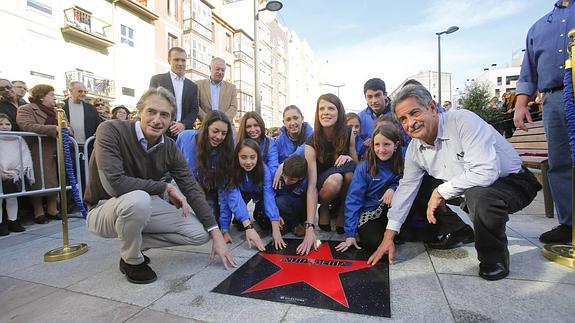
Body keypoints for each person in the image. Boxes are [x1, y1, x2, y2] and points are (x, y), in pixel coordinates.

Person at [368, 85, 541, 281]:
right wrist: (388, 237)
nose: (411, 123)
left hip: (512, 182)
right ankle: (457, 230)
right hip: (465, 186)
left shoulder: (462, 121)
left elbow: (486, 171)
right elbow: (406, 189)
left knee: (479, 194)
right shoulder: (415, 150)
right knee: (419, 186)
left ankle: (494, 257)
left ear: (432, 108)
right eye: (403, 120)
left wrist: (440, 191)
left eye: (414, 113)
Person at [84, 87, 237, 284]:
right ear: (139, 111)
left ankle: (134, 242)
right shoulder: (111, 130)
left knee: (200, 233)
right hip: (104, 207)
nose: (157, 120)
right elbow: (115, 184)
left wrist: (216, 233)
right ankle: (132, 260)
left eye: (164, 115)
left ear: (171, 119)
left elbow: (191, 187)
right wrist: (164, 188)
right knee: (138, 199)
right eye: (151, 112)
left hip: (143, 204)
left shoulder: (169, 147)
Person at [514, 0, 574, 244]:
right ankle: (568, 224)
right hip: (553, 98)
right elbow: (528, 71)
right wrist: (520, 103)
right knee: (559, 163)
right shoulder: (538, 27)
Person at [176, 110, 265, 250]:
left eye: (223, 133)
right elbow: (173, 169)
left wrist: (230, 228)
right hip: (183, 188)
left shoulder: (226, 152)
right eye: (215, 131)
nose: (219, 137)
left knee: (210, 225)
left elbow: (228, 191)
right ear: (205, 128)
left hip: (207, 191)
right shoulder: (185, 138)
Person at [297, 93, 358, 254]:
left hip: (346, 179)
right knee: (335, 179)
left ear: (339, 112)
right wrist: (310, 227)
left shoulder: (348, 132)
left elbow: (358, 168)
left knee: (350, 174)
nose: (326, 112)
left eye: (331, 108)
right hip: (323, 182)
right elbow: (311, 184)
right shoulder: (312, 140)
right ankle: (324, 208)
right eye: (321, 108)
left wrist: (349, 158)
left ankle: (342, 212)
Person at [336, 124, 402, 252]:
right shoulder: (364, 168)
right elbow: (353, 200)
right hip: (370, 212)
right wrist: (350, 234)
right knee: (373, 243)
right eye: (377, 145)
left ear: (396, 145)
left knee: (410, 235)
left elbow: (407, 181)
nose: (381, 149)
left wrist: (393, 188)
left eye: (387, 144)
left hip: (392, 210)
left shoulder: (401, 163)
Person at [17, 84, 66, 224]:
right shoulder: (26, 109)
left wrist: (67, 130)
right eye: (51, 94)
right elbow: (26, 125)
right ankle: (38, 211)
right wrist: (54, 128)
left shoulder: (58, 111)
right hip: (37, 149)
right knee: (38, 180)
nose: (54, 98)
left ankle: (52, 209)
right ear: (41, 96)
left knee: (55, 179)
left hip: (57, 149)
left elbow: (66, 126)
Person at [231, 139, 285, 249]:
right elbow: (232, 197)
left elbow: (269, 196)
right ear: (237, 156)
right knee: (240, 222)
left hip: (258, 196)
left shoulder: (264, 170)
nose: (248, 162)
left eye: (252, 157)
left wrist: (275, 228)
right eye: (243, 157)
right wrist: (225, 229)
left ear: (258, 157)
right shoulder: (231, 170)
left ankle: (257, 213)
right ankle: (240, 218)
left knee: (266, 223)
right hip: (242, 196)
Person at [149, 47, 199, 137]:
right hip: (161, 131)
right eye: (176, 60)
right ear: (169, 60)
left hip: (183, 133)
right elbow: (152, 105)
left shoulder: (193, 86)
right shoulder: (157, 80)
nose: (180, 63)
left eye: (183, 60)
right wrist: (167, 121)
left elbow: (194, 110)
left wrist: (183, 125)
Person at [0, 113, 32, 235]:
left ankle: (13, 221)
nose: (4, 127)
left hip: (13, 174)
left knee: (12, 198)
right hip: (1, 173)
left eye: (7, 124)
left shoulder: (18, 139)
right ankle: (1, 223)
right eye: (1, 124)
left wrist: (17, 171)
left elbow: (24, 157)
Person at [272, 105, 313, 189]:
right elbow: (273, 162)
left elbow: (307, 146)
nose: (292, 122)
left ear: (302, 119)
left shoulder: (313, 136)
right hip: (286, 184)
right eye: (288, 119)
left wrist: (284, 164)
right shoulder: (279, 142)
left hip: (307, 186)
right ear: (284, 122)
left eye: (295, 118)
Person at [196, 57, 238, 123]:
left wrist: (222, 121)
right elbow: (196, 106)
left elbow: (234, 107)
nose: (220, 72)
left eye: (223, 70)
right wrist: (208, 121)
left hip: (226, 126)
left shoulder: (231, 88)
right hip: (204, 125)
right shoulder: (198, 85)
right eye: (217, 69)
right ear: (210, 68)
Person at [275, 155, 308, 237]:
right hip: (280, 209)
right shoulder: (277, 176)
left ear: (301, 178)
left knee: (280, 201)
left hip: (298, 209)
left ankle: (295, 225)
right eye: (285, 176)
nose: (286, 181)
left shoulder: (305, 182)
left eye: (292, 179)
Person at [237, 112, 279, 176]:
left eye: (256, 125)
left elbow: (273, 169)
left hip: (264, 181)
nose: (253, 129)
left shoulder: (270, 144)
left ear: (261, 126)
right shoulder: (238, 144)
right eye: (248, 126)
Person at [358, 78, 391, 150]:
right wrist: (363, 146)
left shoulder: (398, 114)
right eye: (370, 97)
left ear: (385, 95)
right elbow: (354, 143)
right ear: (365, 97)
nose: (374, 101)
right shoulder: (359, 118)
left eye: (377, 95)